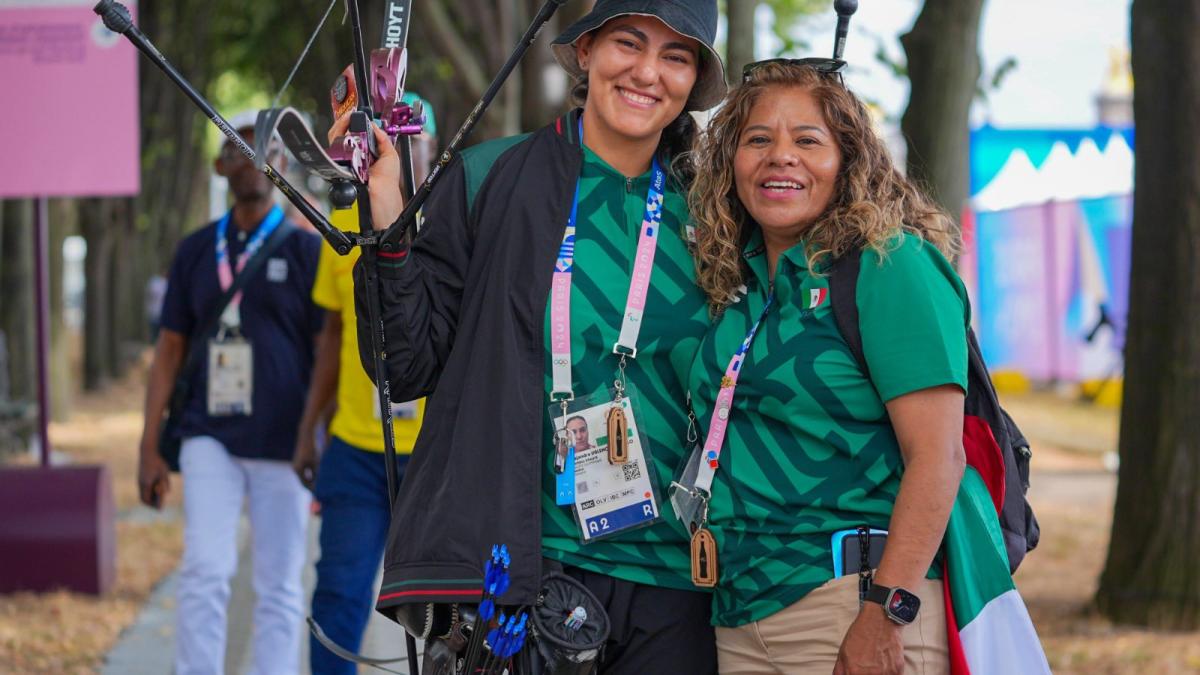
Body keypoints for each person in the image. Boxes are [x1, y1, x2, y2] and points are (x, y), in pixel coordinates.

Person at [334, 1, 728, 670]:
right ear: (585, 52)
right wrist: (388, 208)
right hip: (516, 570)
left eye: (676, 56)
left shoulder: (718, 213)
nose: (647, 72)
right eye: (628, 44)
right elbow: (406, 362)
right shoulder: (490, 176)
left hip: (674, 582)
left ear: (693, 82)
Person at [685, 61, 967, 674]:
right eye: (758, 139)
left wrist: (884, 614)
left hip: (852, 607)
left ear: (849, 162)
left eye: (808, 140)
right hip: (738, 615)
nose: (780, 156)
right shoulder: (739, 285)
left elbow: (939, 457)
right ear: (730, 162)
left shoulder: (892, 266)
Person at [137, 111, 323, 675]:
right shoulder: (196, 250)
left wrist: (316, 436)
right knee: (205, 570)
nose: (254, 159)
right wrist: (149, 446)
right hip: (207, 434)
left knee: (279, 584)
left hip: (284, 442)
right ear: (221, 166)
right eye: (239, 149)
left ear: (284, 165)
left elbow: (327, 355)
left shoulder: (304, 250)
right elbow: (169, 350)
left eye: (266, 150)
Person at [294, 94, 437, 675]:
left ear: (429, 150)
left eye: (411, 143)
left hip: (436, 458)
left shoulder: (456, 223)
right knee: (339, 597)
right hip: (356, 450)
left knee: (449, 615)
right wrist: (309, 429)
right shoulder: (344, 228)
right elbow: (331, 336)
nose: (400, 155)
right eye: (387, 143)